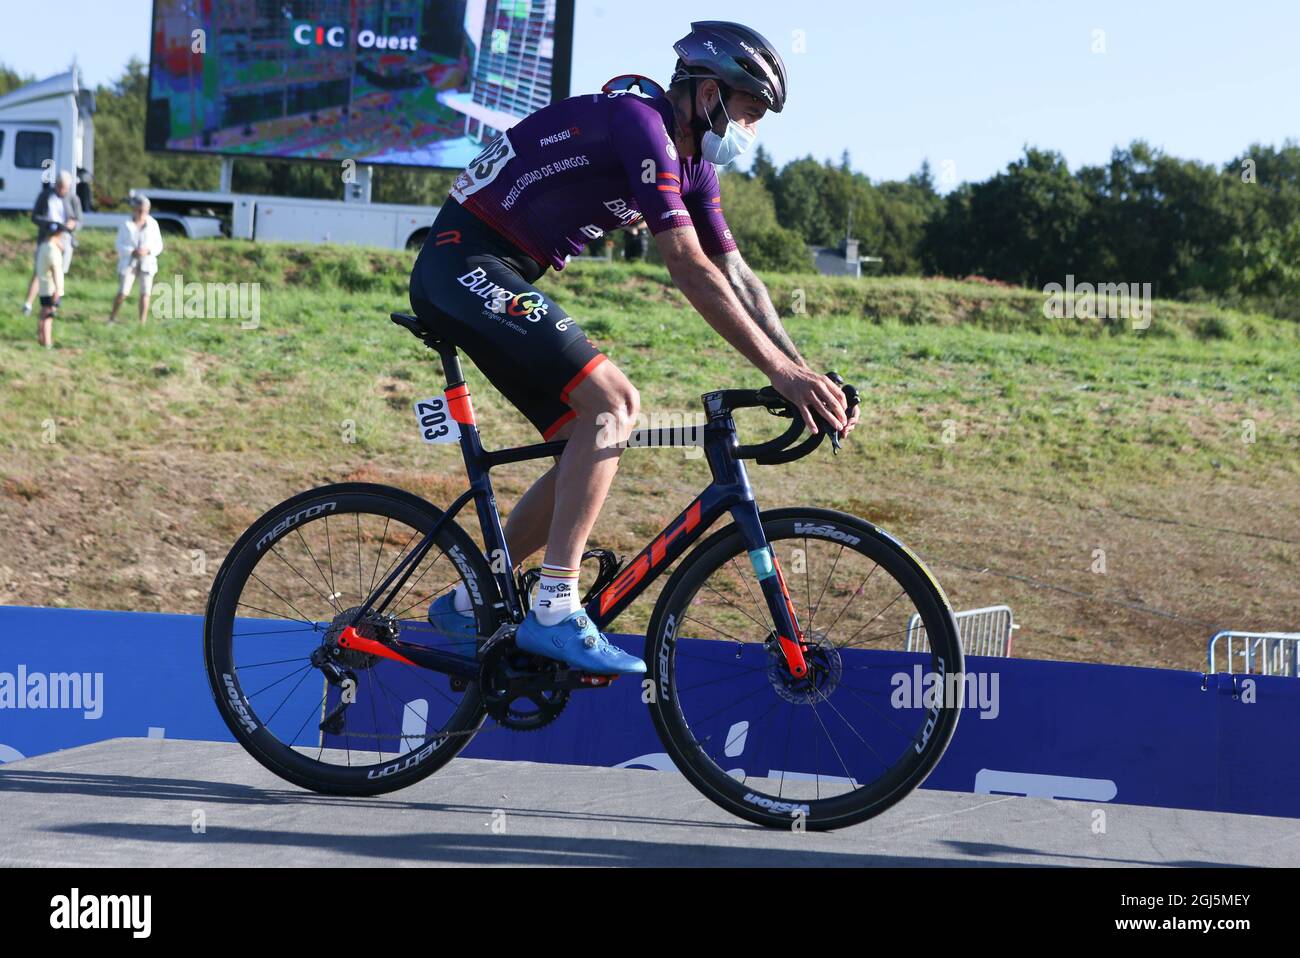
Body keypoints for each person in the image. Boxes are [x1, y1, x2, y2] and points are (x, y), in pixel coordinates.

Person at [409, 21, 857, 674]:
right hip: (462, 260)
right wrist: (782, 374)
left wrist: (803, 371)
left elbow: (737, 276)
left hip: (500, 268)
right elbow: (686, 263)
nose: (750, 133)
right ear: (709, 94)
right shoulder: (640, 124)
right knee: (615, 405)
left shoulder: (696, 167)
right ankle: (556, 606)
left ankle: (469, 598)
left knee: (589, 443)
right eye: (749, 113)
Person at [24, 171, 77, 316]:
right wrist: (50, 225)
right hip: (47, 238)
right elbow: (35, 217)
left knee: (59, 272)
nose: (62, 190)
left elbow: (78, 219)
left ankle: (53, 305)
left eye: (65, 188)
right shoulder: (45, 195)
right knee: (40, 271)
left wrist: (71, 225)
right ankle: (28, 304)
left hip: (64, 238)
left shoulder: (72, 198)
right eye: (60, 187)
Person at [108, 195, 165, 325]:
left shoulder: (153, 224)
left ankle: (142, 323)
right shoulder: (125, 224)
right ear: (134, 209)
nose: (142, 213)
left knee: (145, 292)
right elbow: (119, 244)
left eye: (145, 211)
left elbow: (159, 245)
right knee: (123, 292)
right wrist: (132, 251)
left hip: (147, 261)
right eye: (140, 210)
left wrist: (148, 251)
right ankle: (112, 317)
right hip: (129, 261)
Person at [33, 225, 64, 348]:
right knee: (49, 315)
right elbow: (55, 269)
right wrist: (57, 289)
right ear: (58, 234)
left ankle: (41, 338)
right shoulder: (52, 249)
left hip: (43, 285)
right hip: (51, 287)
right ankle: (47, 342)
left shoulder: (43, 246)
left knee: (43, 312)